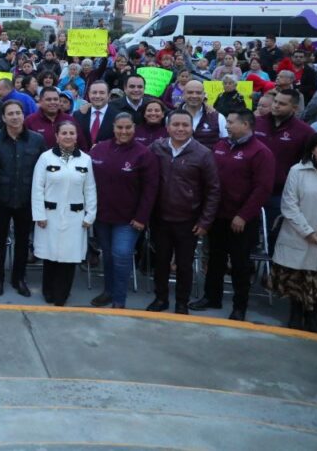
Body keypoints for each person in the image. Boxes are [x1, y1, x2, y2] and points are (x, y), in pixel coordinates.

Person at [190, 109, 275, 321]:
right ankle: (212, 297)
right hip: (218, 215)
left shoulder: (260, 152)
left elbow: (262, 189)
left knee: (240, 264)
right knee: (215, 259)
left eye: (230, 122)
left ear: (245, 125)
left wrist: (244, 215)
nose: (226, 125)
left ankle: (239, 306)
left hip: (241, 220)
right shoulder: (221, 146)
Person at [147, 109, 221, 314]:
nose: (180, 129)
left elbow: (213, 190)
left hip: (188, 221)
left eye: (185, 125)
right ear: (168, 127)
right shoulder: (157, 147)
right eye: (176, 125)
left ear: (192, 128)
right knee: (160, 262)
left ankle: (181, 303)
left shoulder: (203, 154)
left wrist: (205, 222)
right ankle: (160, 298)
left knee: (184, 265)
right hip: (160, 219)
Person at [89, 113, 159, 308]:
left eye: (128, 127)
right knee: (109, 255)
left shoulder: (144, 154)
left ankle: (119, 299)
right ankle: (108, 291)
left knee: (121, 255)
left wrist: (141, 217)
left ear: (134, 128)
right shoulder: (99, 150)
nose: (124, 131)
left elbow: (150, 189)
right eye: (120, 127)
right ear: (113, 128)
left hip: (129, 220)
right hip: (102, 216)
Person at [31, 122, 98, 306]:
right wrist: (39, 215)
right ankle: (48, 290)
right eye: (64, 133)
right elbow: (37, 188)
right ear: (57, 136)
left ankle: (62, 293)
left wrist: (89, 215)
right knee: (50, 255)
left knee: (69, 257)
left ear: (77, 136)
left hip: (75, 217)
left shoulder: (85, 160)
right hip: (49, 215)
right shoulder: (45, 158)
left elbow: (90, 189)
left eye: (71, 133)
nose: (68, 136)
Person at [0, 99, 46, 297]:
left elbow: (43, 172)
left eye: (18, 113)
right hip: (0, 200)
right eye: (10, 114)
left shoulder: (37, 140)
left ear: (23, 115)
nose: (15, 117)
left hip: (26, 200)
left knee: (23, 241)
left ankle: (19, 278)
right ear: (3, 118)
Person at [272, 132, 317, 331]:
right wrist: (308, 232)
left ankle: (313, 317)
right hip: (299, 234)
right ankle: (295, 313)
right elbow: (289, 205)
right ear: (313, 150)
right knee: (297, 278)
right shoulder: (297, 171)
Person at [255, 88, 314, 248]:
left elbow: (308, 163)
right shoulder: (256, 124)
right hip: (250, 190)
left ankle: (274, 269)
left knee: (274, 235)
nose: (276, 106)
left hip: (280, 193)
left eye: (282, 104)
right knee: (247, 236)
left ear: (294, 108)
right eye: (275, 102)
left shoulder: (304, 132)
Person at [177, 79, 227, 148]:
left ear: (204, 95)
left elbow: (226, 144)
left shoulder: (218, 118)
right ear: (183, 94)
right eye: (190, 92)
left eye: (198, 93)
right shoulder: (171, 117)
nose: (194, 96)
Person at [75, 80, 118, 150]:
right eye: (94, 92)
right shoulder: (78, 115)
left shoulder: (117, 116)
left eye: (102, 93)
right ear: (89, 94)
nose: (97, 96)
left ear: (108, 95)